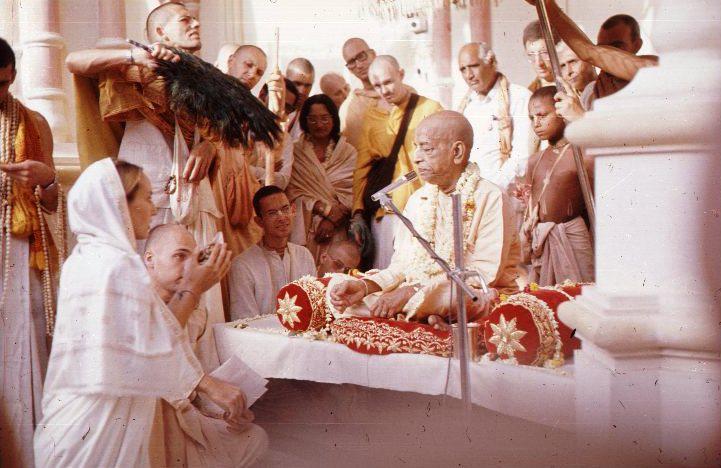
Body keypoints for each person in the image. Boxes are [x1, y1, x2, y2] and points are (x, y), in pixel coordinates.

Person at [34, 159, 263, 467]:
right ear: (120, 203)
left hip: (80, 416)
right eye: (146, 197)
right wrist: (193, 288)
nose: (153, 208)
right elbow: (151, 347)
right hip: (97, 421)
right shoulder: (115, 265)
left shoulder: (85, 257)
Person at [65, 1, 225, 329]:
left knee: (202, 303)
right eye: (185, 20)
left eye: (196, 19)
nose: (196, 24)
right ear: (161, 32)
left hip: (194, 200)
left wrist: (211, 145)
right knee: (145, 297)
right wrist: (133, 56)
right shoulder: (134, 70)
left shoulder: (208, 82)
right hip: (146, 202)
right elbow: (74, 61)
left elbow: (220, 135)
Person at [331, 111, 523, 324]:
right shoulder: (418, 199)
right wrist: (366, 286)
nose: (416, 157)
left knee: (451, 298)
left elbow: (483, 276)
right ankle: (416, 312)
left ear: (457, 152)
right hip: (420, 293)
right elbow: (402, 266)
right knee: (342, 292)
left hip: (470, 295)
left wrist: (413, 292)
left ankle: (412, 311)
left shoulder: (490, 196)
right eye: (416, 147)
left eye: (427, 148)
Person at [143, 223, 268, 467]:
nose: (189, 268)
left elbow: (207, 371)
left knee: (254, 438)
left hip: (187, 417)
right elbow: (149, 364)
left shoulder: (197, 312)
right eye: (180, 256)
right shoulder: (136, 302)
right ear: (150, 260)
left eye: (193, 259)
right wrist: (207, 385)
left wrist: (228, 413)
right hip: (150, 421)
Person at [0, 36, 61, 468]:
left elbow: (53, 203)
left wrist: (46, 179)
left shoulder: (35, 124)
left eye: (3, 84)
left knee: (27, 346)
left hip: (21, 254)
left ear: (15, 76)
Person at [351, 55, 443, 270]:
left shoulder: (430, 109)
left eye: (388, 82)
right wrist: (358, 211)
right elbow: (361, 169)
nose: (384, 90)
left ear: (401, 74)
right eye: (377, 86)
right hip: (387, 213)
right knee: (386, 275)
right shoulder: (373, 117)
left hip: (424, 209)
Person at [522, 86, 594, 285]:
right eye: (531, 118)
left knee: (576, 295)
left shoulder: (582, 155)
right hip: (543, 242)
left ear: (562, 113)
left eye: (542, 115)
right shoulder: (534, 160)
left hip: (572, 240)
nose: (536, 123)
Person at [524, 1, 657, 109]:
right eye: (603, 48)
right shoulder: (594, 90)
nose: (608, 54)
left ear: (637, 45)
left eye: (617, 46)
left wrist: (548, 4)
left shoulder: (651, 68)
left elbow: (589, 52)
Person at [228, 186, 316, 319]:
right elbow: (244, 320)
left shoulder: (304, 255)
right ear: (259, 221)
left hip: (304, 331)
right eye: (272, 213)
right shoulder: (242, 265)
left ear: (293, 210)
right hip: (260, 332)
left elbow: (314, 306)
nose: (282, 217)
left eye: (285, 209)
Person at [287, 94, 357, 261]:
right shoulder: (294, 151)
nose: (319, 124)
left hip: (338, 228)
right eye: (312, 119)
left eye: (325, 118)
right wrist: (323, 208)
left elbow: (354, 191)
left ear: (334, 119)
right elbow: (290, 191)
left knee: (333, 269)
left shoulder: (348, 152)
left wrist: (331, 221)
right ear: (304, 121)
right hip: (302, 227)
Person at [456, 42, 533, 191]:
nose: (469, 75)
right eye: (463, 69)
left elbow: (523, 156)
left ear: (491, 62)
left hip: (505, 192)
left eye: (474, 66)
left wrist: (491, 190)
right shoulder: (465, 106)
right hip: (469, 194)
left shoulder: (519, 97)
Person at [253, 77, 299, 189]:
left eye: (287, 107)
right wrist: (269, 171)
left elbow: (282, 182)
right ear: (262, 95)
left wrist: (253, 171)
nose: (281, 110)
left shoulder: (285, 138)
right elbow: (233, 167)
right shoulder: (241, 125)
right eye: (278, 101)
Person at [523, 20, 560, 92]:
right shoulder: (529, 93)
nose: (538, 63)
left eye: (545, 53)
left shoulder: (576, 88)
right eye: (531, 55)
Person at [285, 57, 315, 140]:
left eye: (308, 85)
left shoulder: (313, 113)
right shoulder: (271, 106)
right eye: (297, 84)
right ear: (286, 80)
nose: (302, 91)